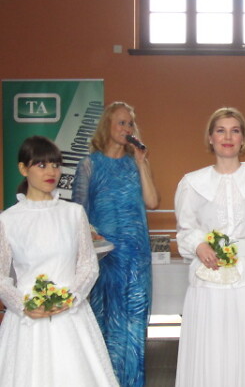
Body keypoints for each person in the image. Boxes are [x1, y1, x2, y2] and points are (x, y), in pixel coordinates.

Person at [174, 107, 245, 387]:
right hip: (209, 277)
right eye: (220, 131)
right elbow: (185, 229)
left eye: (235, 131)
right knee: (212, 349)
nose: (227, 137)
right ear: (210, 138)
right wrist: (198, 245)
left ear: (243, 139)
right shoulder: (192, 182)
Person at [0, 136, 118, 386]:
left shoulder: (73, 213)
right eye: (41, 165)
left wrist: (70, 298)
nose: (51, 172)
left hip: (71, 315)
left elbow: (88, 265)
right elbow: (1, 276)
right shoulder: (7, 220)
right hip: (27, 321)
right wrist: (23, 306)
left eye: (55, 165)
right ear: (23, 169)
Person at [72, 102, 160, 386]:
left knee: (134, 325)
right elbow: (77, 215)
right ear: (107, 126)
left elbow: (152, 201)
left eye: (130, 124)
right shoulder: (89, 165)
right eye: (121, 122)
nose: (126, 128)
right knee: (106, 324)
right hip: (104, 259)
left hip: (136, 259)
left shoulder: (135, 164)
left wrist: (142, 163)